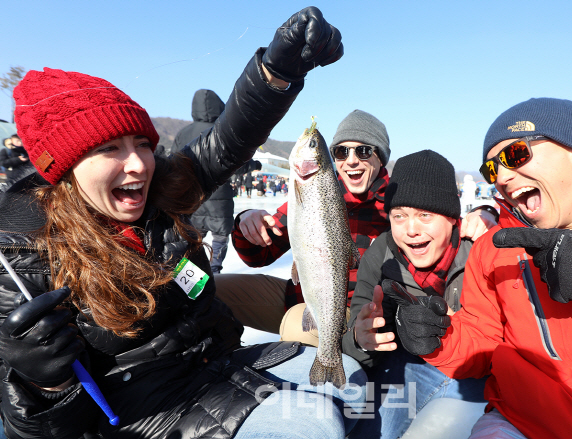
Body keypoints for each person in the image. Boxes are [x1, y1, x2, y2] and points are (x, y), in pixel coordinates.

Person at [0, 8, 368, 439]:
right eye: (109, 149)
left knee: (358, 387)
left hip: (219, 365)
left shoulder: (163, 191)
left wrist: (276, 72)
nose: (138, 163)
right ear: (63, 168)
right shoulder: (20, 257)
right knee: (313, 425)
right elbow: (35, 430)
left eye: (142, 143)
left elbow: (229, 139)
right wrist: (42, 385)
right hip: (147, 413)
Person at [391, 98, 572, 439]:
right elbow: (484, 343)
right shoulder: (494, 248)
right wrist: (438, 337)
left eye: (515, 154)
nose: (503, 177)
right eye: (492, 169)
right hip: (525, 422)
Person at [221, 110, 497, 338]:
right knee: (206, 288)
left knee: (298, 326)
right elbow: (257, 256)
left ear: (381, 157)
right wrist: (247, 223)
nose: (351, 160)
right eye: (341, 152)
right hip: (300, 294)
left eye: (363, 151)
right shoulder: (316, 192)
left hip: (357, 312)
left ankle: (316, 397)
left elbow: (440, 225)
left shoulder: (399, 202)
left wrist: (484, 213)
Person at [344, 150, 490, 439]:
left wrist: (456, 329)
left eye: (425, 215)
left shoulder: (478, 253)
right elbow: (352, 340)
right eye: (399, 216)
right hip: (403, 367)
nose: (411, 229)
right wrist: (361, 339)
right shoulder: (382, 253)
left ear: (451, 218)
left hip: (473, 375)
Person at [170, 89, 238, 273]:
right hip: (219, 193)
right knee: (220, 236)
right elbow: (237, 160)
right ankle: (215, 269)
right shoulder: (223, 131)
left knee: (191, 236)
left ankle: (194, 280)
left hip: (191, 195)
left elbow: (172, 162)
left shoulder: (183, 133)